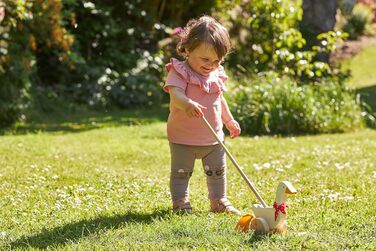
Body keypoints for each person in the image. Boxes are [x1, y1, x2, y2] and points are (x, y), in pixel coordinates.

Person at [163, 16, 241, 215]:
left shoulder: (216, 74)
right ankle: (180, 202)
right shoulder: (179, 72)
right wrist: (187, 103)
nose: (211, 65)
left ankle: (219, 201)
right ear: (188, 50)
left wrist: (229, 120)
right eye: (205, 59)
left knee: (217, 172)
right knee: (181, 173)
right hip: (183, 137)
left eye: (217, 60)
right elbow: (175, 94)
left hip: (213, 138)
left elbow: (219, 100)